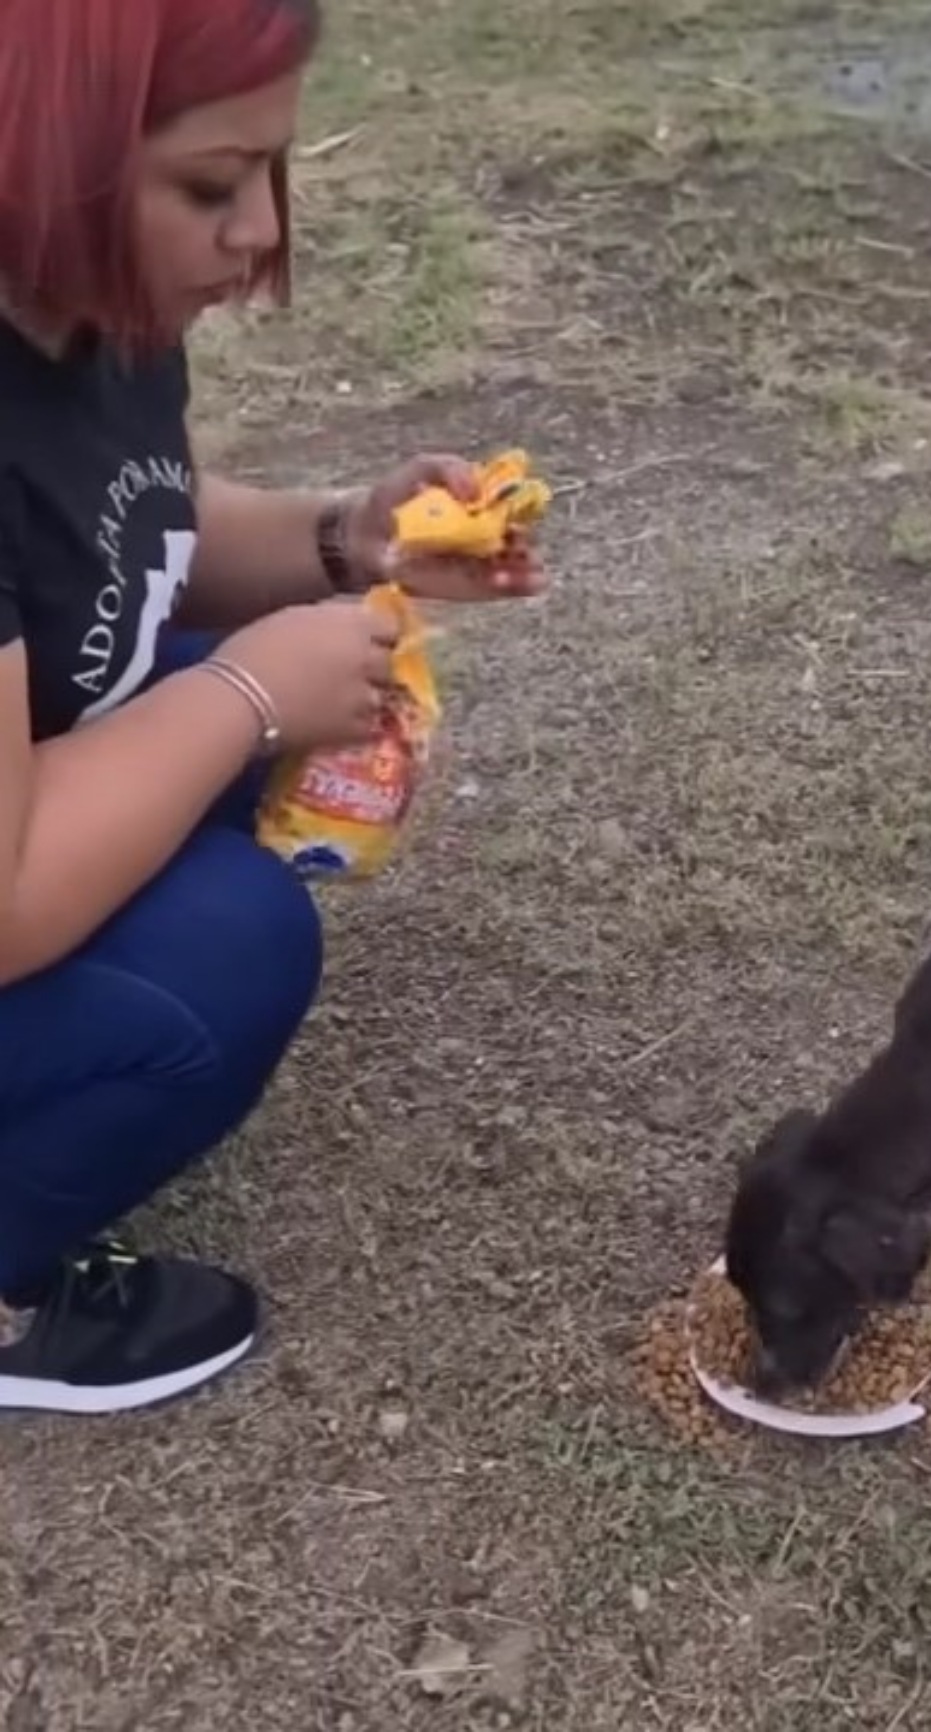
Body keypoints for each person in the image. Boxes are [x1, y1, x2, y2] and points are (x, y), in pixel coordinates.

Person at [0, 0, 544, 1416]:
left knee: (211, 742)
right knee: (224, 952)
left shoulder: (81, 315)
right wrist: (251, 690)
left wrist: (341, 541)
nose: (257, 236)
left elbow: (131, 540)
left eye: (268, 174)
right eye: (206, 186)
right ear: (40, 149)